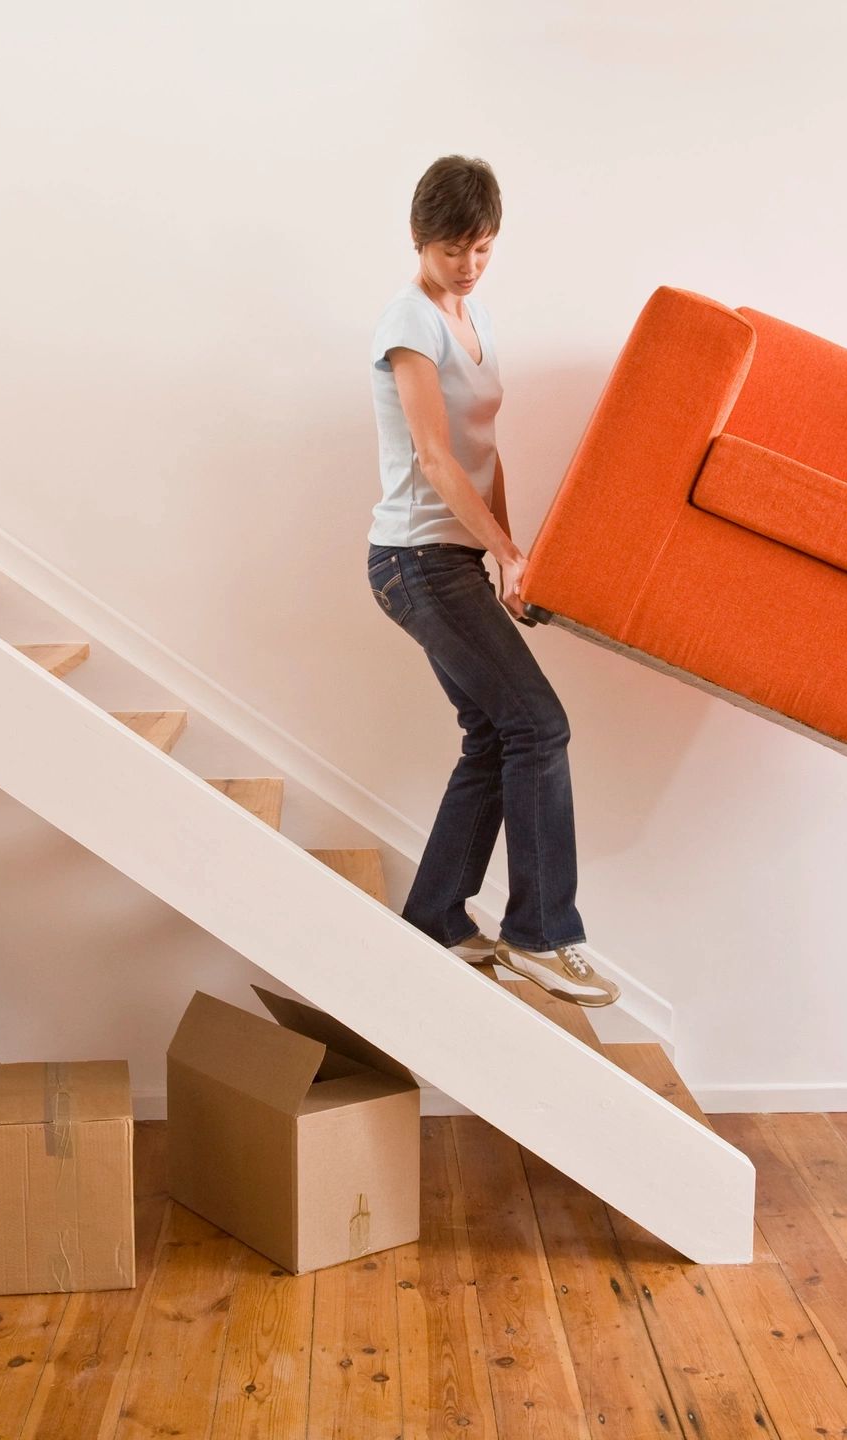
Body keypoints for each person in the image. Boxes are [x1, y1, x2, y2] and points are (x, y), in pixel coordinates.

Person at [363, 155, 615, 1007]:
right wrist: (500, 553)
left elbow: (484, 450)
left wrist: (510, 553)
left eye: (480, 247)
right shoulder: (409, 322)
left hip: (453, 557)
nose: (466, 265)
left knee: (496, 734)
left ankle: (436, 914)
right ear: (417, 239)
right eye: (449, 250)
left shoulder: (475, 322)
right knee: (539, 724)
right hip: (412, 560)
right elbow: (436, 456)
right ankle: (541, 932)